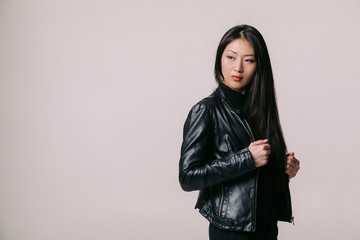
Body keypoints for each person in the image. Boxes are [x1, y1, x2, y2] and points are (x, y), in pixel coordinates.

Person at [178, 25, 300, 240]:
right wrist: (246, 158)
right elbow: (187, 177)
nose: (237, 68)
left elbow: (257, 179)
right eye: (231, 57)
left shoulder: (262, 110)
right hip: (231, 230)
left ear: (259, 65)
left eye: (248, 60)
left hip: (266, 227)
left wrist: (282, 171)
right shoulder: (206, 110)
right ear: (220, 59)